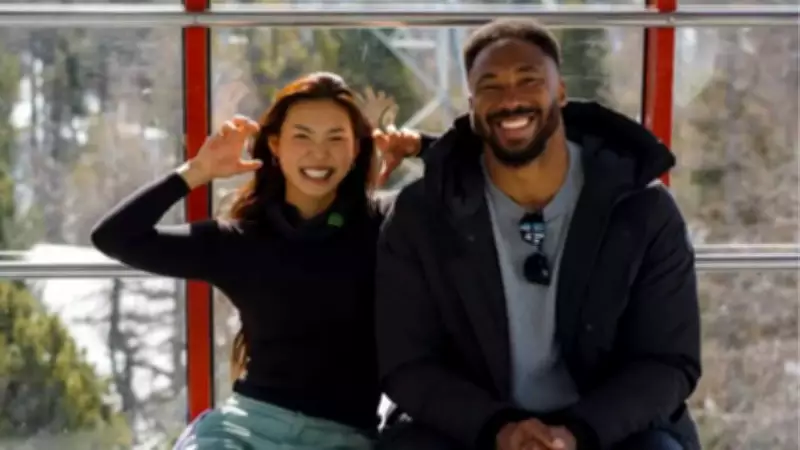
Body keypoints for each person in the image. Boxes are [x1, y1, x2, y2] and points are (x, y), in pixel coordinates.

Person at [375, 19, 701, 450]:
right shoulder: (422, 214)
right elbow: (408, 363)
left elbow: (667, 361)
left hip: (607, 432)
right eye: (490, 86)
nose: (510, 99)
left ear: (560, 92)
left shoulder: (641, 209)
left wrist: (575, 433)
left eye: (529, 80)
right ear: (472, 106)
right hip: (471, 430)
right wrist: (501, 429)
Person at [91, 72, 425, 450]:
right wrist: (198, 171)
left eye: (335, 138)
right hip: (243, 432)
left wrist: (421, 146)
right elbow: (114, 237)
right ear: (275, 146)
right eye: (302, 137)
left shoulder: (386, 224)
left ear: (356, 150)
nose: (319, 153)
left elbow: (473, 179)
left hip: (343, 439)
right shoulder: (240, 240)